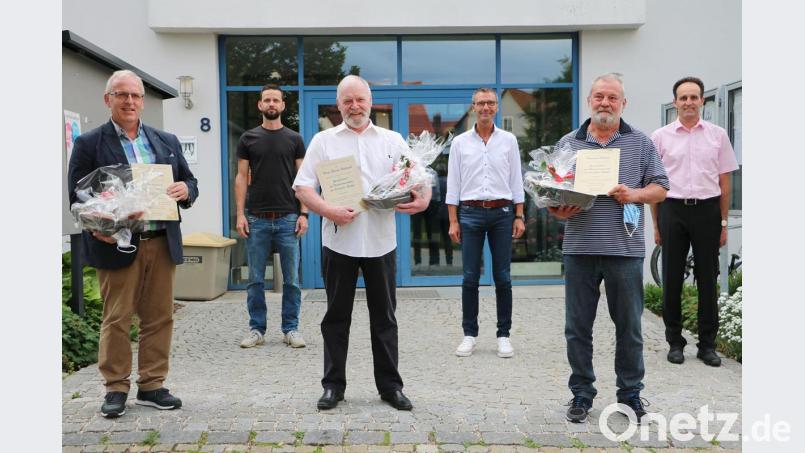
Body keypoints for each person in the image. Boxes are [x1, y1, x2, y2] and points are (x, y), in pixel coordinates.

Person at [294, 75, 430, 411]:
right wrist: (327, 209)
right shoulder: (324, 141)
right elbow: (303, 187)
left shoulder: (393, 139)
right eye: (347, 101)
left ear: (371, 101)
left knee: (385, 317)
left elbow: (419, 179)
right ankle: (333, 387)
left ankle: (390, 387)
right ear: (338, 105)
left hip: (381, 241)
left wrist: (422, 200)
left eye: (360, 100)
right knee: (335, 318)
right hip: (339, 242)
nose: (355, 106)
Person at [67, 70, 199, 418]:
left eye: (135, 96)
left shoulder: (165, 140)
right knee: (117, 318)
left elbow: (189, 181)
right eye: (121, 95)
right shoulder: (89, 144)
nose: (129, 102)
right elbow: (77, 198)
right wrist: (99, 225)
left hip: (160, 238)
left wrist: (186, 191)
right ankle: (115, 387)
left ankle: (152, 385)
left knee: (159, 317)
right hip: (116, 243)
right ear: (107, 99)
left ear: (143, 100)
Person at [547, 73, 668, 424]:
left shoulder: (641, 143)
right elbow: (550, 192)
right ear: (589, 100)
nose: (605, 103)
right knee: (577, 328)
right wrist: (557, 208)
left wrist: (635, 194)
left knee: (629, 326)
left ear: (623, 104)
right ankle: (581, 394)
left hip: (625, 250)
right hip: (580, 248)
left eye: (612, 98)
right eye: (599, 96)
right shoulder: (569, 143)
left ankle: (630, 394)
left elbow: (661, 188)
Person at [650, 76, 738, 367]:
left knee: (707, 279)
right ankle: (675, 342)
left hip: (707, 212)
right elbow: (654, 183)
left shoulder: (717, 135)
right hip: (672, 210)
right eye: (683, 97)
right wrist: (657, 224)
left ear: (703, 101)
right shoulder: (660, 137)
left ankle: (707, 345)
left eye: (694, 97)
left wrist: (724, 223)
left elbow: (725, 183)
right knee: (672, 279)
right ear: (675, 102)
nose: (688, 102)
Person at [445, 88, 525, 358]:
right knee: (469, 277)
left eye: (491, 103)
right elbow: (453, 184)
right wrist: (453, 220)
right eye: (481, 103)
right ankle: (469, 334)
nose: (486, 108)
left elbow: (517, 180)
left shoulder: (509, 141)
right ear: (473, 107)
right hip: (470, 214)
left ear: (496, 108)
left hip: (502, 213)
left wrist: (519, 215)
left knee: (503, 277)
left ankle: (504, 335)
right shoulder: (460, 143)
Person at [235, 84, 309, 349]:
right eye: (267, 100)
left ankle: (291, 329)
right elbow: (241, 177)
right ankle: (257, 329)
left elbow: (304, 180)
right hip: (256, 218)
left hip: (289, 216)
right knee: (255, 279)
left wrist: (304, 213)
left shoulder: (295, 139)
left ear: (282, 105)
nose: (271, 104)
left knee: (292, 280)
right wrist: (240, 214)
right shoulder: (248, 139)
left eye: (275, 100)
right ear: (260, 105)